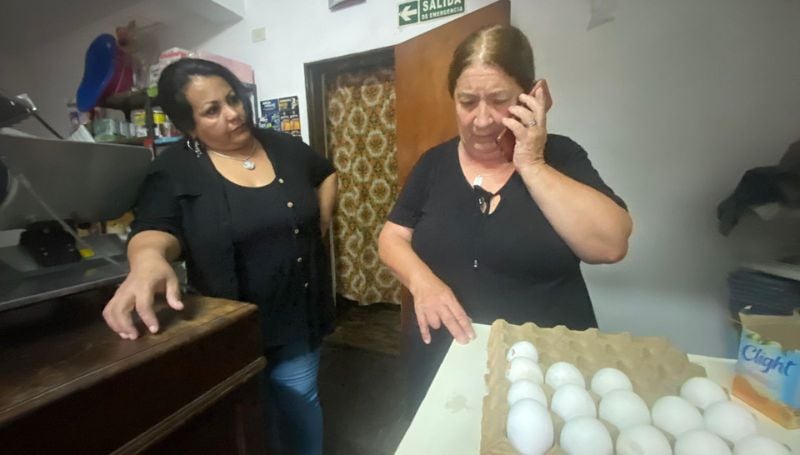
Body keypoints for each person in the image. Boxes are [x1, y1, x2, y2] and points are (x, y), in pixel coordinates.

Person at [378, 25, 633, 412]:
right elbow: (392, 237)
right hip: (448, 362)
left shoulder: (561, 156)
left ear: (531, 98)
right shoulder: (434, 164)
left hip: (549, 371)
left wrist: (530, 162)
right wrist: (422, 281)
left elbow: (611, 245)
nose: (481, 120)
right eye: (467, 102)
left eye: (499, 100)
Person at [102, 58, 337, 454]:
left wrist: (321, 225)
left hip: (296, 316)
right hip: (230, 331)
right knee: (245, 418)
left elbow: (327, 172)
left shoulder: (283, 146)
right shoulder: (174, 169)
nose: (234, 114)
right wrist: (147, 261)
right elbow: (154, 229)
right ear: (188, 125)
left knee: (299, 404)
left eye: (233, 99)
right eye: (213, 110)